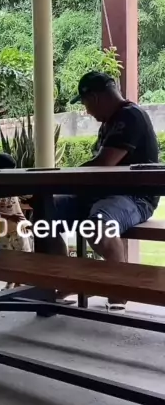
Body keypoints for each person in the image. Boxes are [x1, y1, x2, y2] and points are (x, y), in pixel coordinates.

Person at [46, 70, 159, 308]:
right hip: (102, 194)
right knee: (44, 212)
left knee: (98, 227)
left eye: (86, 104)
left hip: (134, 197)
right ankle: (67, 279)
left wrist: (65, 177)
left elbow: (104, 163)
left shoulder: (130, 116)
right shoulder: (110, 122)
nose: (87, 111)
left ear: (94, 98)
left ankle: (118, 293)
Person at [0, 153, 32, 254]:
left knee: (25, 256)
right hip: (4, 233)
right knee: (8, 257)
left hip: (19, 230)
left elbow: (16, 206)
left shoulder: (10, 188)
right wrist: (10, 217)